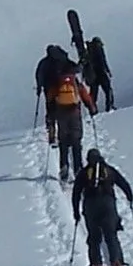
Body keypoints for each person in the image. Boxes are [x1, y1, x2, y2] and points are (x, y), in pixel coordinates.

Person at [71, 147, 133, 266]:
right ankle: (116, 264)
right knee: (111, 235)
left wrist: (76, 212)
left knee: (94, 238)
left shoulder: (83, 173)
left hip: (90, 206)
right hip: (108, 205)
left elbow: (76, 193)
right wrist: (130, 197)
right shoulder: (109, 170)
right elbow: (123, 183)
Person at [35, 44, 94, 182]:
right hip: (74, 110)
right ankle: (78, 168)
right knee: (76, 140)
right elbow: (84, 93)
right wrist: (91, 107)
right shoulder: (71, 76)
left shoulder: (46, 66)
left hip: (60, 109)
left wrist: (40, 89)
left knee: (63, 141)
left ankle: (63, 166)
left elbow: (42, 81)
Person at [81, 32, 115, 111]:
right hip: (101, 73)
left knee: (93, 93)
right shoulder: (98, 49)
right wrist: (107, 71)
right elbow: (103, 61)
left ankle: (93, 109)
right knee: (108, 90)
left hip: (92, 75)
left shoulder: (88, 50)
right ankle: (109, 107)